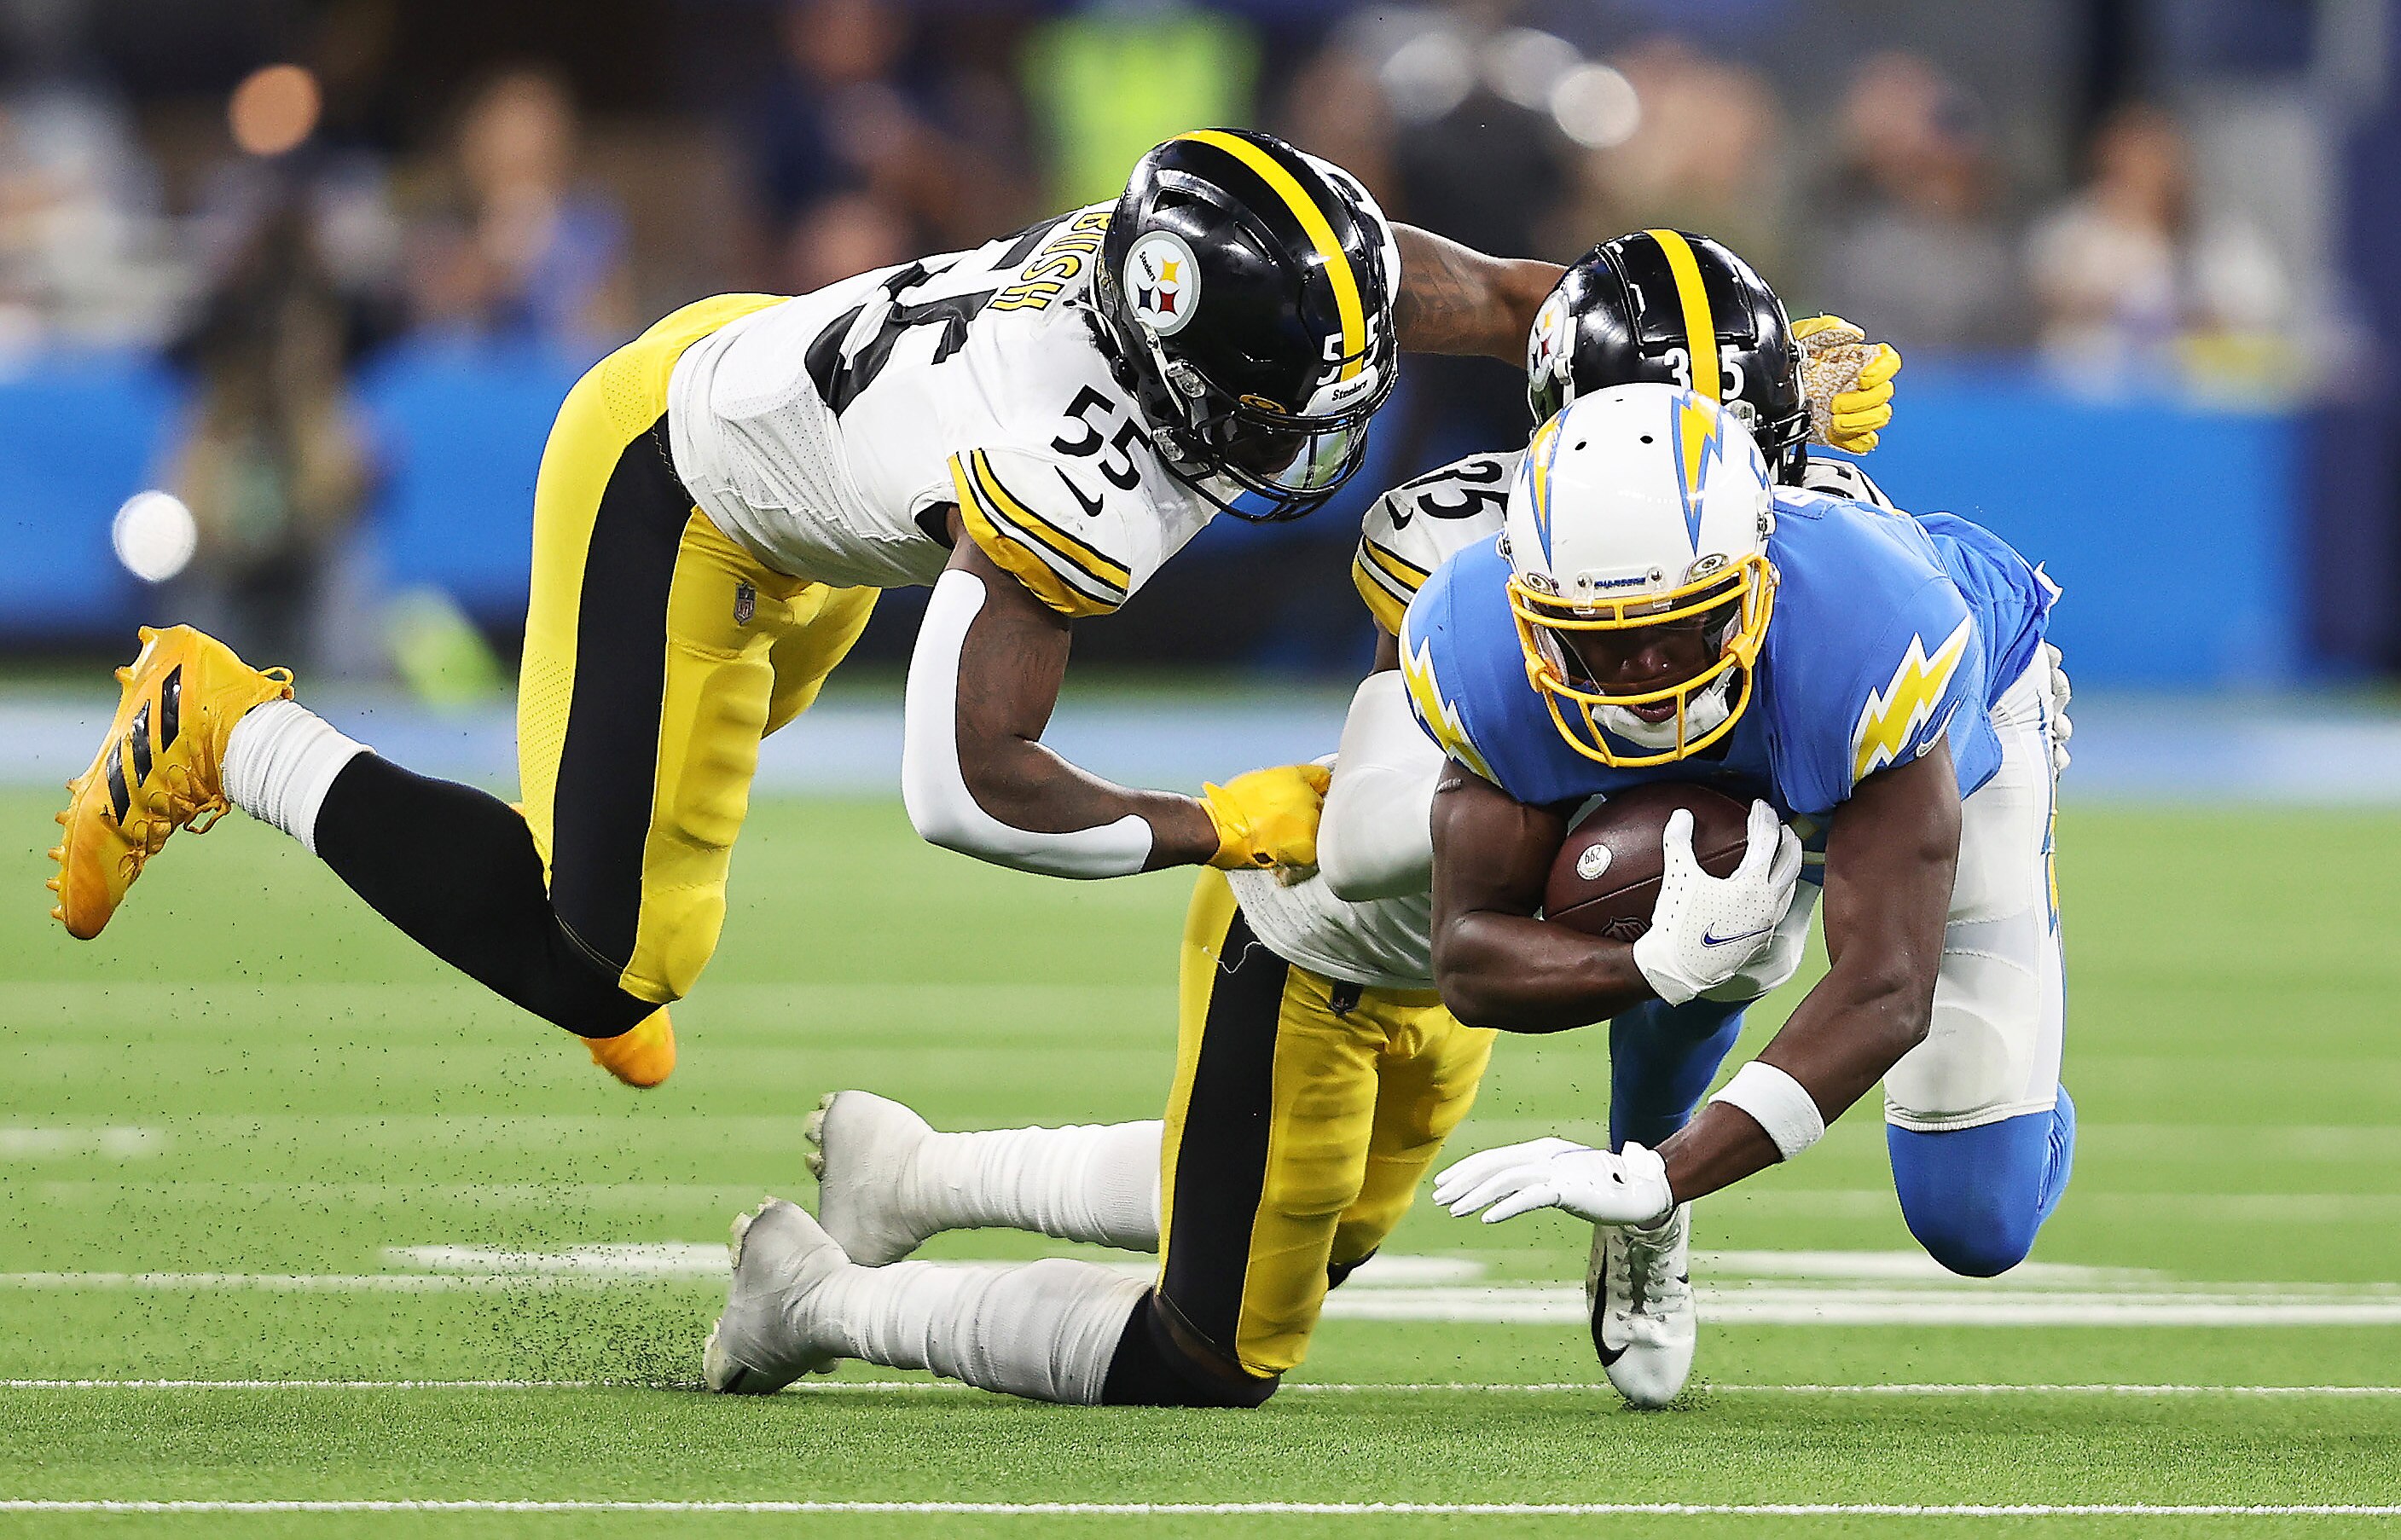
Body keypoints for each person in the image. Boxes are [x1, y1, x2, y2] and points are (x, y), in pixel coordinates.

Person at [49, 130, 1562, 1092]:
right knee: (609, 956)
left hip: (811, 448)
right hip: (683, 487)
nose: (1317, 421)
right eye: (1279, 398)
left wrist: (1725, 355)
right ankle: (222, 725)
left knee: (649, 816)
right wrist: (1221, 825)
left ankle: (589, 886)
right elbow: (961, 788)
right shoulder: (1058, 463)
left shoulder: (1228, 266)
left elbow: (1508, 303)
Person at [699, 231, 1908, 1409]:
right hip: (1339, 943)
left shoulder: (1803, 540)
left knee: (1305, 1222)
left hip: (1449, 975)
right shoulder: (1460, 553)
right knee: (1212, 1349)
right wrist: (1644, 949)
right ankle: (811, 1300)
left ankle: (910, 1173)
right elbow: (1386, 855)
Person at [1407, 382, 2074, 1410]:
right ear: (1528, 608)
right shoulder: (1480, 648)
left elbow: (1885, 991)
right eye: (1595, 635)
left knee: (1976, 1221)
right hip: (1780, 716)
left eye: (1678, 628)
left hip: (1931, 722)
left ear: (1751, 575)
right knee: (1699, 920)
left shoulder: (1870, 630)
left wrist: (1677, 1171)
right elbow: (1466, 960)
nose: (1641, 674)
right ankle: (1643, 1200)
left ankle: (2027, 1096)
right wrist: (1647, 964)